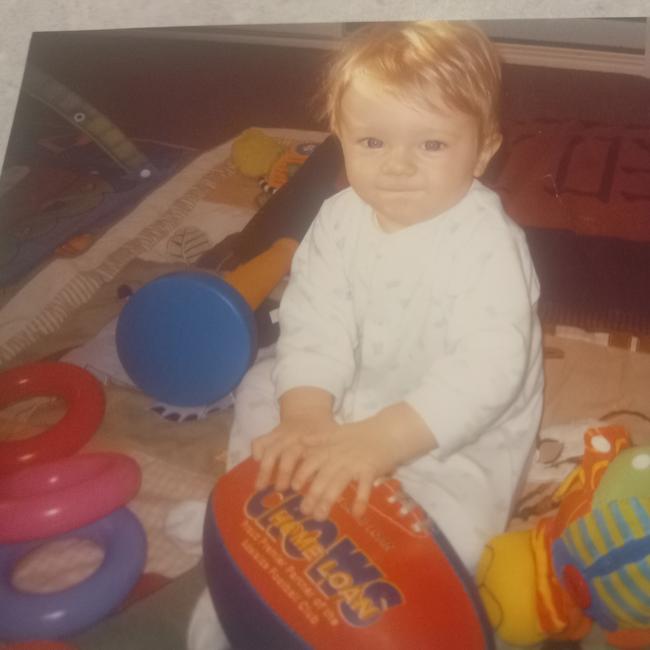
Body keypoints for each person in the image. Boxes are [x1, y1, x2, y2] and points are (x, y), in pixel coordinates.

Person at [227, 20, 544, 574]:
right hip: (355, 386)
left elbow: (489, 369)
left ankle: (389, 556)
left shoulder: (488, 244)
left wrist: (383, 440)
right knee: (262, 387)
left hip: (452, 428)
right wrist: (305, 413)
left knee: (456, 542)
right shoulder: (336, 219)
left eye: (432, 143)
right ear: (340, 135)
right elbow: (314, 317)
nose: (397, 166)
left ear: (482, 150)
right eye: (372, 141)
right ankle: (262, 509)